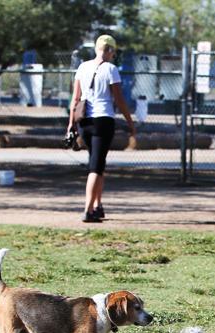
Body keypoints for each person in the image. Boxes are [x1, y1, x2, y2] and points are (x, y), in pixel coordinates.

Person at [67, 35, 136, 223]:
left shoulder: (82, 67)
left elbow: (75, 99)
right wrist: (130, 122)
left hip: (84, 122)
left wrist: (70, 125)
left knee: (97, 161)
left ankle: (97, 205)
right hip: (103, 120)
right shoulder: (111, 69)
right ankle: (88, 210)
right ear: (111, 51)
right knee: (95, 167)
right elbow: (119, 100)